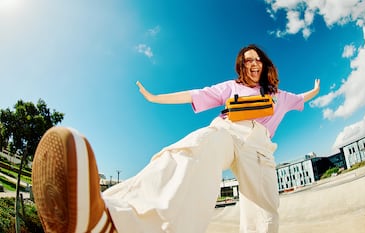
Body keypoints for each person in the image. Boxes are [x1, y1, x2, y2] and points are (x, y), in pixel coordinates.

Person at [32, 44, 320, 233]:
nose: (253, 64)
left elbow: (302, 98)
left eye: (257, 60)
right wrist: (156, 97)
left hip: (259, 148)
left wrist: (314, 90)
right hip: (227, 131)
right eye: (247, 61)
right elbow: (194, 94)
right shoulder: (230, 87)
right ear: (241, 67)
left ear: (264, 64)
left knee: (264, 214)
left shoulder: (279, 96)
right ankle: (113, 219)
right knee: (191, 153)